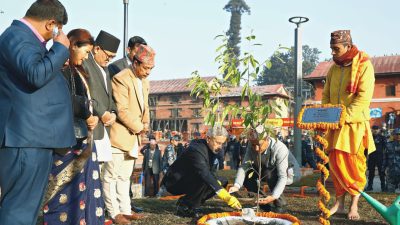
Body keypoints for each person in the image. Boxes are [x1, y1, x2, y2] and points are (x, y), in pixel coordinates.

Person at [0, 1, 75, 224]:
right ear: (51, 24)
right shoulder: (17, 36)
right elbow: (35, 74)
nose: (58, 35)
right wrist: (59, 49)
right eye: (58, 29)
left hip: (32, 138)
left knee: (25, 209)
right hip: (25, 139)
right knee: (19, 210)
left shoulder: (24, 39)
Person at [43, 28, 104, 225]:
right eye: (85, 52)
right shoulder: (57, 70)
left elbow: (85, 101)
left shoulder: (78, 71)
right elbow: (65, 101)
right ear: (72, 46)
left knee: (83, 192)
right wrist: (87, 113)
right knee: (63, 196)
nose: (87, 57)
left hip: (82, 140)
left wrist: (91, 116)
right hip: (65, 142)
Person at [322, 30, 376, 220]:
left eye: (336, 49)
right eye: (331, 49)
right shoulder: (333, 69)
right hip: (335, 126)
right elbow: (326, 96)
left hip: (354, 125)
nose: (333, 53)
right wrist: (326, 116)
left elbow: (363, 99)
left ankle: (354, 206)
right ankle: (340, 203)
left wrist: (341, 118)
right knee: (335, 165)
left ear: (348, 46)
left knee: (354, 166)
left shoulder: (364, 65)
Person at [105, 44, 155, 224]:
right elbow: (122, 110)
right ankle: (113, 212)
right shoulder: (121, 78)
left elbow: (146, 107)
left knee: (125, 176)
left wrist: (146, 124)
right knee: (110, 176)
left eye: (151, 68)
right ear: (135, 62)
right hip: (118, 136)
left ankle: (125, 210)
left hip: (133, 136)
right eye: (146, 67)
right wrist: (139, 127)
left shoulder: (145, 81)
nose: (149, 72)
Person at [161, 126, 242, 218]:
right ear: (208, 139)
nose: (220, 147)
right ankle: (185, 207)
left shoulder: (213, 149)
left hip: (191, 178)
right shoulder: (196, 149)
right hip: (175, 181)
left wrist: (218, 185)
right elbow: (204, 173)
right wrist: (226, 197)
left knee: (222, 181)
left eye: (222, 144)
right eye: (218, 143)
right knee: (207, 180)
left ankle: (188, 201)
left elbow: (211, 172)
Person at [229, 128, 289, 213]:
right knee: (248, 175)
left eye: (259, 145)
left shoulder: (280, 148)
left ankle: (280, 204)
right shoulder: (251, 144)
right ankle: (262, 202)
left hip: (277, 173)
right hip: (259, 169)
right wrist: (236, 185)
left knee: (269, 174)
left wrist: (274, 196)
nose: (256, 148)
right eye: (253, 145)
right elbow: (244, 166)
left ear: (267, 139)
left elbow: (282, 176)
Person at [82, 30, 119, 163]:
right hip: (92, 127)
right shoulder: (85, 63)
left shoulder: (106, 69)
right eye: (108, 55)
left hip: (105, 130)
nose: (109, 60)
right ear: (97, 49)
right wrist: (102, 112)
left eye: (113, 57)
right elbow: (87, 94)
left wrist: (114, 113)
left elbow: (110, 97)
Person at [365, 125, 387, 192]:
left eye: (376, 129)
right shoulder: (369, 138)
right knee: (371, 173)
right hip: (371, 157)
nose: (375, 130)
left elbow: (386, 148)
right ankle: (369, 186)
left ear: (379, 129)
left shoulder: (382, 138)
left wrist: (385, 158)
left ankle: (383, 187)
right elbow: (366, 148)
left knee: (381, 173)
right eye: (374, 129)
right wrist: (365, 157)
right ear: (371, 130)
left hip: (380, 158)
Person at [384, 128, 400, 193]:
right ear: (393, 135)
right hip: (391, 170)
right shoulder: (388, 145)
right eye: (397, 134)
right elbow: (385, 157)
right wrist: (383, 168)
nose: (398, 136)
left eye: (399, 134)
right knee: (390, 192)